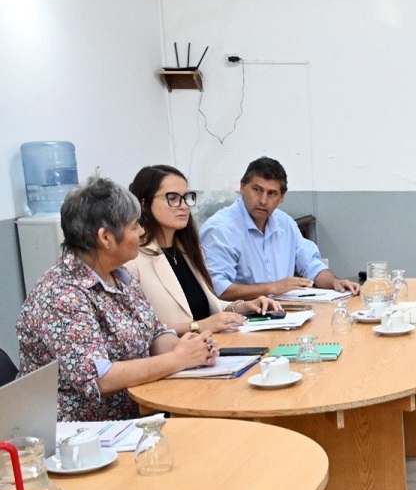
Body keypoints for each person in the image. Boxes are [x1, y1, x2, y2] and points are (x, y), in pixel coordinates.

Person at [17, 177, 218, 422]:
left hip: (137, 416)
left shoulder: (120, 275)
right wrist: (177, 359)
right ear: (105, 238)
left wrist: (190, 348)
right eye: (135, 226)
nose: (142, 231)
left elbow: (154, 332)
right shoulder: (61, 295)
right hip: (83, 435)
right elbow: (101, 377)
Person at [125, 165, 281, 335]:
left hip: (211, 348)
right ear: (144, 204)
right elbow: (138, 332)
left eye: (186, 197)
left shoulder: (187, 248)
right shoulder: (134, 258)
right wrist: (197, 326)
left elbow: (210, 305)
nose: (183, 206)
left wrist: (243, 306)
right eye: (172, 198)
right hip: (175, 355)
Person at [200, 157, 360, 301]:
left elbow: (311, 265)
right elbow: (217, 289)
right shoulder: (220, 229)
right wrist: (272, 288)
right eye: (257, 190)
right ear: (243, 187)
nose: (263, 200)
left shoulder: (285, 223)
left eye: (271, 193)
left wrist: (334, 282)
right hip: (241, 319)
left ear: (282, 197)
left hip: (284, 313)